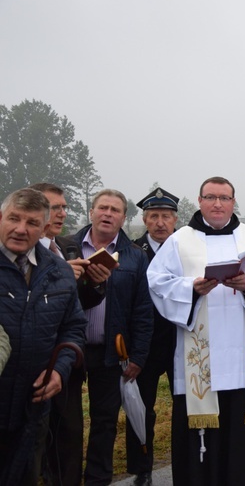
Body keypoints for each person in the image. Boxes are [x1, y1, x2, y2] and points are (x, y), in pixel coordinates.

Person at [148, 177, 245, 485]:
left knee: (242, 435)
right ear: (199, 201)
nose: (218, 204)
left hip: (242, 361)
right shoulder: (180, 239)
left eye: (224, 198)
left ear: (233, 202)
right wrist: (192, 288)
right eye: (211, 197)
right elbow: (157, 281)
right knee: (201, 440)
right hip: (200, 358)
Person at [0, 188, 86, 485]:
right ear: (1, 218)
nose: (21, 229)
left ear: (44, 227)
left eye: (32, 223)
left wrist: (60, 371)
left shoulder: (59, 272)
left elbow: (73, 328)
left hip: (33, 408)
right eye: (14, 218)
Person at [29, 183, 110, 486]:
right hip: (28, 362)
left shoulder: (66, 247)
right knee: (30, 445)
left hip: (65, 363)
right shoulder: (20, 250)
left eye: (64, 207)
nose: (62, 213)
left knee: (69, 437)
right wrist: (60, 278)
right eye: (54, 207)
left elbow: (76, 307)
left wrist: (95, 284)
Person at [71, 189, 154, 485]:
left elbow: (143, 312)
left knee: (104, 423)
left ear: (123, 217)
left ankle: (97, 479)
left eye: (115, 210)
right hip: (71, 350)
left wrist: (139, 356)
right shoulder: (66, 248)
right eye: (102, 207)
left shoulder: (135, 256)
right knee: (66, 423)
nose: (108, 214)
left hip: (111, 352)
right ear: (91, 212)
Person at [126, 187, 180, 486]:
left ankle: (187, 460)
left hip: (180, 338)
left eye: (166, 216)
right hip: (143, 342)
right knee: (141, 408)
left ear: (175, 219)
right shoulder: (133, 253)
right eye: (154, 216)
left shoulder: (187, 249)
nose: (161, 223)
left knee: (184, 403)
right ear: (145, 220)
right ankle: (142, 468)